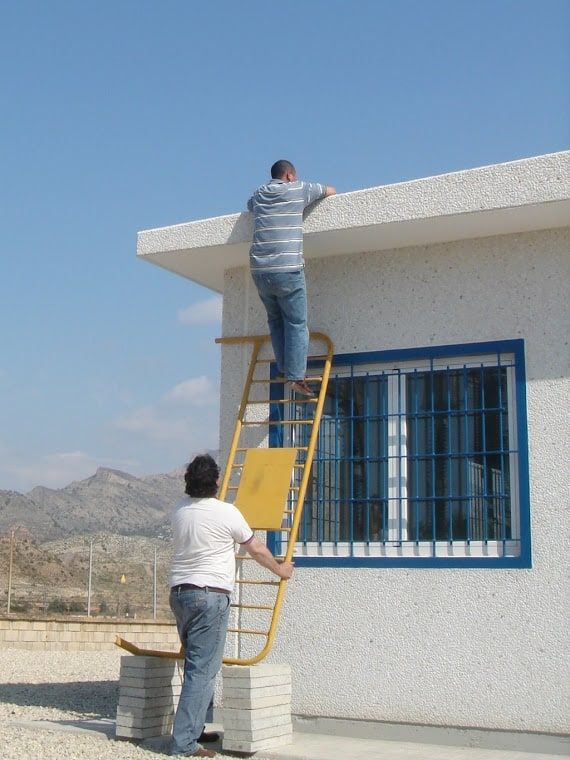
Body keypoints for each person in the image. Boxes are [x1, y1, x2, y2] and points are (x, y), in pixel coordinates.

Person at [169, 454, 294, 758]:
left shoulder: (179, 511)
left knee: (195, 664)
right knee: (202, 669)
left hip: (180, 594)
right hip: (209, 595)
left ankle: (194, 729)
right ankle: (184, 744)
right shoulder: (227, 513)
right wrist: (280, 569)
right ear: (216, 481)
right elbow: (257, 549)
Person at [247, 160, 336, 397]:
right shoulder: (298, 189)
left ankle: (284, 369)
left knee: (276, 321)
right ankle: (296, 377)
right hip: (287, 269)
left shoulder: (260, 193)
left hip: (259, 271)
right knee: (296, 323)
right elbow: (330, 190)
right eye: (294, 176)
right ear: (288, 175)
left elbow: (250, 206)